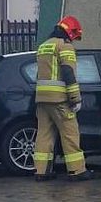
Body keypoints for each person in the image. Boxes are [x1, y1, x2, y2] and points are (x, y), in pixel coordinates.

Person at [34, 15, 88, 180]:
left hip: (42, 99)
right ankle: (76, 171)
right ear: (70, 33)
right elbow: (68, 72)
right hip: (59, 99)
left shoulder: (44, 46)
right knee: (70, 134)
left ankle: (42, 172)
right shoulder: (65, 47)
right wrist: (75, 98)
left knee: (44, 135)